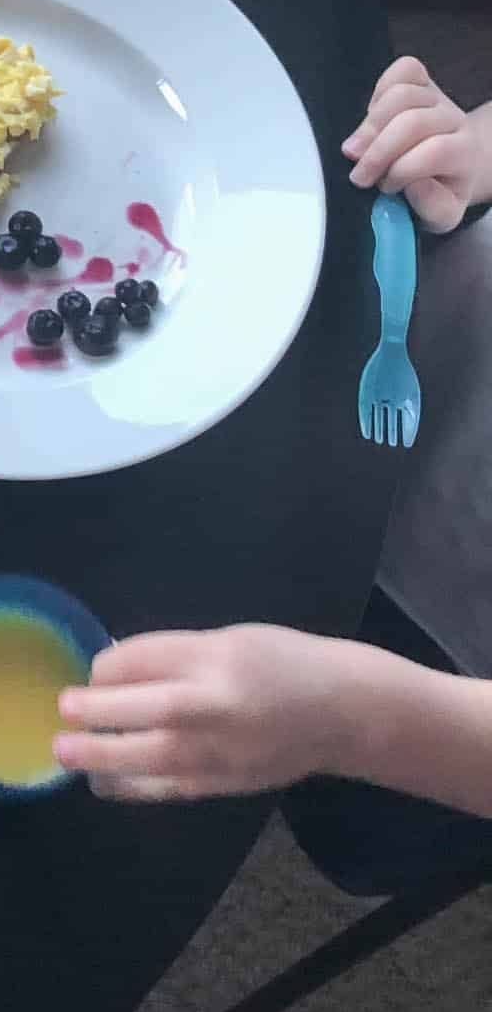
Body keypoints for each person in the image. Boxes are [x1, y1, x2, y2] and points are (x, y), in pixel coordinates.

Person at [54, 56, 492, 820]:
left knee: (351, 826)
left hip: (440, 657)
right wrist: (473, 151)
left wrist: (362, 721)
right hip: (388, 360)